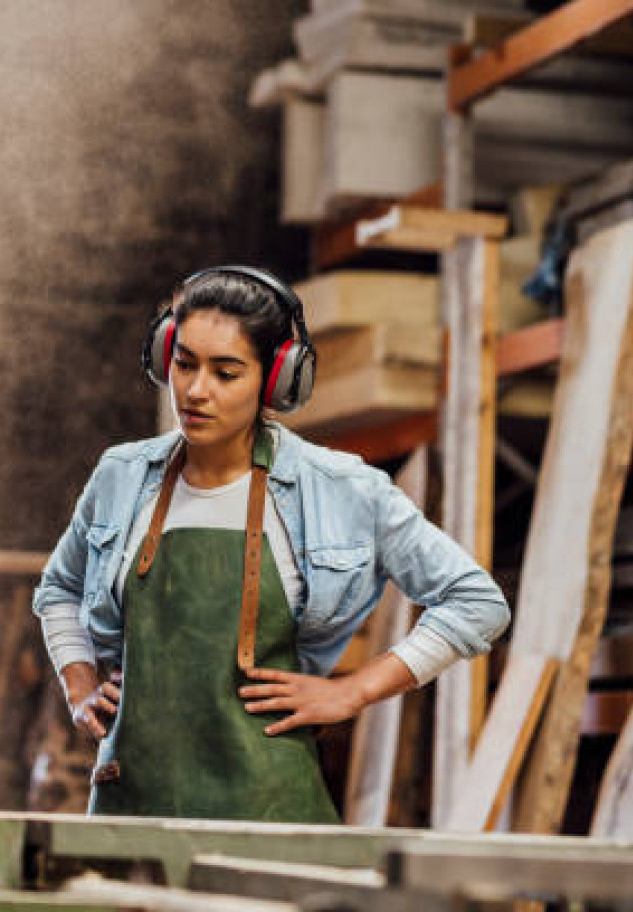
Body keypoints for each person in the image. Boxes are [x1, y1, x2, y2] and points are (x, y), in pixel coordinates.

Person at [33, 265, 509, 822]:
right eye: (184, 363)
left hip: (267, 810)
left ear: (277, 380)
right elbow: (59, 589)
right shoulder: (120, 476)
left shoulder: (339, 488)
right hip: (129, 803)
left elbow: (477, 603)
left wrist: (352, 691)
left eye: (226, 372)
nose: (195, 390)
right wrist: (80, 684)